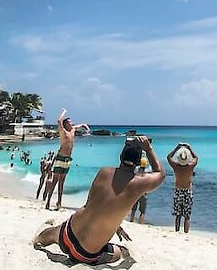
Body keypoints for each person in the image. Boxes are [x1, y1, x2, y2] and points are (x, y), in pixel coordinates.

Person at [32, 135, 165, 265]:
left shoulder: (104, 172)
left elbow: (93, 205)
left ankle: (41, 237)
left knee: (52, 233)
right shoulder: (139, 184)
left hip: (67, 233)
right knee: (122, 251)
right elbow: (160, 173)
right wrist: (148, 149)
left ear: (120, 156)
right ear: (137, 162)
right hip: (85, 253)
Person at [44, 109, 89, 210]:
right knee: (55, 181)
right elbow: (59, 121)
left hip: (68, 160)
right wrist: (63, 112)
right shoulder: (63, 131)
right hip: (60, 158)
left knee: (62, 182)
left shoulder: (72, 130)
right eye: (70, 122)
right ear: (66, 124)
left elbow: (79, 125)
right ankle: (48, 202)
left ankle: (59, 203)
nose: (72, 123)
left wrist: (84, 125)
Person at [167, 142, 199, 233]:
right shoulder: (190, 167)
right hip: (188, 191)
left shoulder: (176, 166)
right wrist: (190, 149)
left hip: (178, 191)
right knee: (187, 215)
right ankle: (186, 232)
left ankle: (177, 231)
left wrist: (176, 148)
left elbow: (168, 157)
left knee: (178, 215)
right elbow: (196, 158)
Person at [127, 156, 150, 223]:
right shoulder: (148, 171)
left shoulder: (136, 169)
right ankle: (140, 222)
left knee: (133, 209)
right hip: (143, 192)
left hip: (135, 192)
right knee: (143, 211)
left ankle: (131, 220)